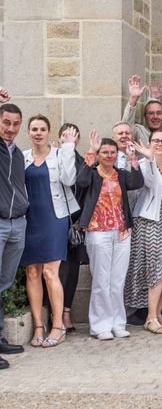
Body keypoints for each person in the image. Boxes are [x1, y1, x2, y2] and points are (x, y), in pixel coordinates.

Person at [77, 133, 144, 340]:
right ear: (98, 154)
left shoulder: (121, 175)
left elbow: (137, 182)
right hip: (98, 231)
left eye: (112, 152)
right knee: (101, 280)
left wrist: (133, 159)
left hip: (122, 232)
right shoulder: (92, 174)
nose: (108, 156)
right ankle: (100, 325)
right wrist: (90, 154)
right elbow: (81, 181)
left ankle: (117, 322)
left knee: (117, 280)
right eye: (104, 152)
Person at [21, 116, 79, 348]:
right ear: (28, 132)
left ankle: (58, 326)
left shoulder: (59, 153)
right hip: (29, 219)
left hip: (55, 218)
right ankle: (38, 326)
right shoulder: (21, 157)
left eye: (42, 129)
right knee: (32, 272)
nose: (38, 133)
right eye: (34, 129)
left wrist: (67, 148)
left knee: (49, 272)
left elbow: (69, 179)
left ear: (48, 132)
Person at [124, 131, 162, 334]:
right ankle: (151, 318)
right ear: (149, 143)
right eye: (155, 141)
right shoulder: (143, 164)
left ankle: (157, 312)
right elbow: (149, 183)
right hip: (150, 221)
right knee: (157, 270)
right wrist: (150, 159)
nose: (160, 143)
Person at [0, 92, 28, 370]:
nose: (10, 128)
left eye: (15, 123)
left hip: (17, 224)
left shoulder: (18, 153)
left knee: (3, 283)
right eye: (6, 122)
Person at [57, 123, 87, 334]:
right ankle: (55, 313)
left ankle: (66, 312)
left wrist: (82, 222)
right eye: (65, 135)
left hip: (76, 222)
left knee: (73, 270)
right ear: (59, 139)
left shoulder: (84, 161)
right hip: (57, 220)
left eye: (74, 136)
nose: (70, 139)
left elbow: (85, 191)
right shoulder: (54, 157)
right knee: (57, 270)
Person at [123, 76, 162, 148]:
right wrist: (133, 98)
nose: (155, 117)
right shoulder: (138, 132)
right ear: (145, 116)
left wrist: (154, 99)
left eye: (159, 113)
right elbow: (125, 126)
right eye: (151, 113)